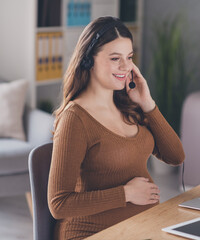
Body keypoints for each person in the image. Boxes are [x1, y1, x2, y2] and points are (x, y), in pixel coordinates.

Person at [48, 16, 185, 240]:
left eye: (129, 57)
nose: (125, 66)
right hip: (92, 232)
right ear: (88, 61)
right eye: (115, 58)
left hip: (143, 227)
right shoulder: (75, 119)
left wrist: (148, 103)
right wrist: (126, 194)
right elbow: (59, 204)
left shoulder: (129, 105)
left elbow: (176, 156)